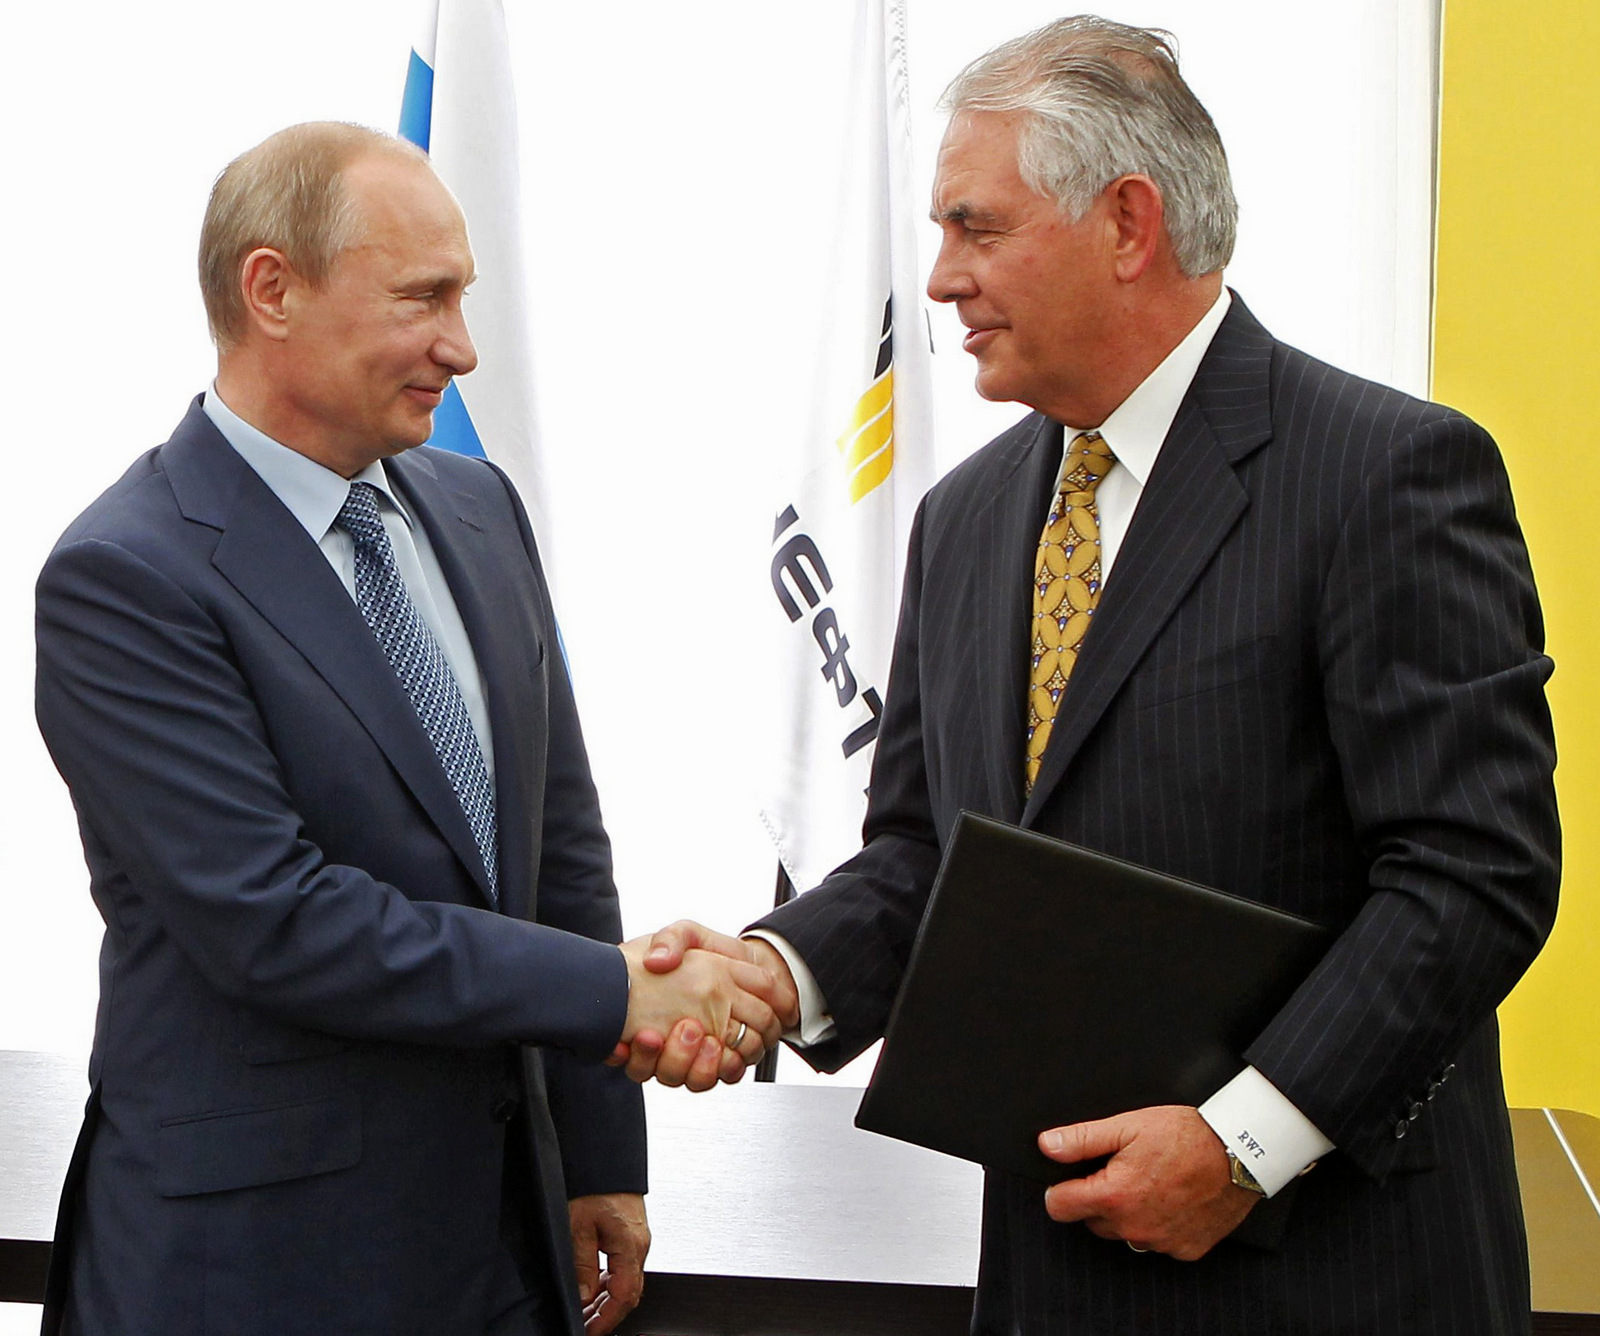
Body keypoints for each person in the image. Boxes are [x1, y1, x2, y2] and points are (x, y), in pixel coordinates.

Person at [633, 16, 1560, 1335]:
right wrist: (773, 973)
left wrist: (1244, 1142)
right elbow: (924, 858)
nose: (941, 278)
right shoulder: (962, 522)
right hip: (1052, 1278)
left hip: (1331, 1278)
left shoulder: (1386, 476)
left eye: (976, 226)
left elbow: (1473, 873)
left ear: (1127, 224)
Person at [33, 122, 778, 1336]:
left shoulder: (476, 507)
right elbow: (274, 921)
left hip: (505, 1247)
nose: (462, 347)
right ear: (270, 289)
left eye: (465, 297)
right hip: (258, 1271)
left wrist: (600, 1157)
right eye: (422, 298)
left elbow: (558, 843)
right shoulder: (125, 575)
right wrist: (615, 996)